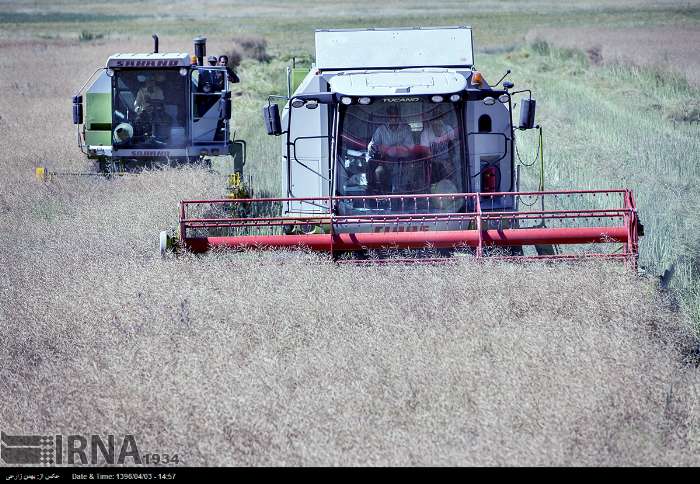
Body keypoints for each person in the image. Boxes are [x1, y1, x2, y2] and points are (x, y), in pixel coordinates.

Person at [366, 105, 415, 193]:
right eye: (391, 116)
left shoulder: (406, 129)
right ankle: (381, 194)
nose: (394, 119)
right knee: (377, 170)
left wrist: (392, 149)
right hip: (385, 162)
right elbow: (372, 146)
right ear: (388, 117)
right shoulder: (381, 130)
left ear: (399, 116)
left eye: (396, 116)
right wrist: (374, 147)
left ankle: (407, 196)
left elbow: (410, 148)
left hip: (402, 163)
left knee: (412, 173)